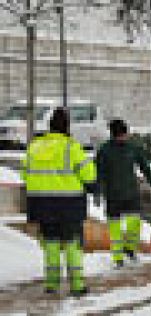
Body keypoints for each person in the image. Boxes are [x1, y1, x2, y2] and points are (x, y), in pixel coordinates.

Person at [21, 108, 96, 296]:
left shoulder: (34, 146)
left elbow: (25, 174)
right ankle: (77, 285)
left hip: (40, 203)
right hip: (68, 203)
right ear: (67, 126)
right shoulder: (71, 147)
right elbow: (89, 175)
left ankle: (52, 284)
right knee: (72, 243)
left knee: (51, 243)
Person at [95, 119, 151, 268]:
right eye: (123, 134)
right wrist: (97, 192)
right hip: (112, 195)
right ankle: (118, 256)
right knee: (115, 228)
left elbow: (144, 166)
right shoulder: (104, 151)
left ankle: (130, 248)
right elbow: (98, 173)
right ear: (115, 135)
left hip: (131, 193)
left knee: (134, 223)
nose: (126, 137)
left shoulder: (132, 148)